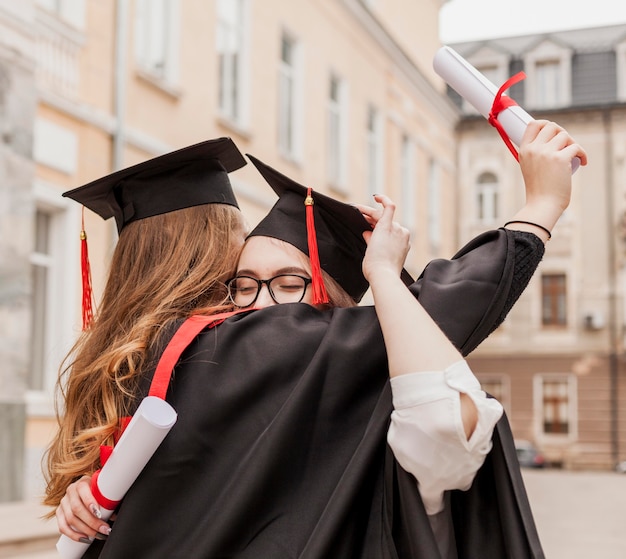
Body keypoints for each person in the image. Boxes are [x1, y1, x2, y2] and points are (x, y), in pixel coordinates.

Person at [48, 120, 586, 558]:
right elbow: (439, 307)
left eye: (287, 285)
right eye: (239, 282)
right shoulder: (235, 350)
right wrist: (539, 208)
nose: (258, 307)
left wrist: (86, 496)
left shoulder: (125, 363)